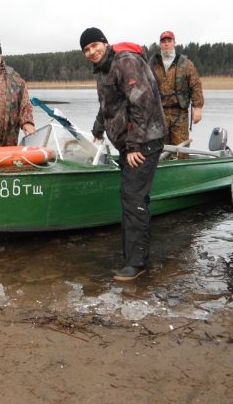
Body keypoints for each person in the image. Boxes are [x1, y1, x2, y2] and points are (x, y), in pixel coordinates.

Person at [80, 27, 167, 281]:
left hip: (145, 140)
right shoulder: (102, 69)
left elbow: (143, 104)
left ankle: (136, 263)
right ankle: (131, 257)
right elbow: (108, 104)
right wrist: (98, 128)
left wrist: (133, 147)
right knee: (131, 196)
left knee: (133, 197)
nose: (92, 52)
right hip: (130, 142)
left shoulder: (125, 62)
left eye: (95, 45)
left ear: (105, 43)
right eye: (86, 49)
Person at [149, 30, 204, 146]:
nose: (166, 44)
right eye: (163, 41)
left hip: (180, 114)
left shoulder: (186, 64)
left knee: (181, 150)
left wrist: (197, 107)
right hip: (159, 114)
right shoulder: (152, 64)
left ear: (174, 43)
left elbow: (196, 85)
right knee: (158, 150)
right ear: (160, 44)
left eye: (169, 41)